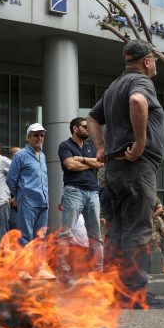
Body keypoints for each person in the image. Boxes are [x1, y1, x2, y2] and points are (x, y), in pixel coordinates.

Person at [87, 39, 164, 309]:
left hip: (113, 171)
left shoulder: (112, 87)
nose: (154, 64)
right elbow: (137, 101)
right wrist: (141, 143)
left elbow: (92, 118)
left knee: (117, 232)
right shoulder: (141, 82)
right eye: (154, 60)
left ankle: (117, 291)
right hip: (136, 167)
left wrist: (100, 147)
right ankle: (135, 293)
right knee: (138, 230)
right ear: (146, 61)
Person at [55, 117, 103, 284]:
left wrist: (81, 159)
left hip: (93, 193)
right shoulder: (65, 146)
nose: (87, 129)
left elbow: (100, 163)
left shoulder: (90, 146)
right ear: (75, 128)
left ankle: (97, 273)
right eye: (84, 127)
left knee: (95, 235)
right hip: (73, 191)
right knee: (66, 234)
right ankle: (64, 273)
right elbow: (70, 166)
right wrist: (90, 163)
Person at [7, 124, 49, 244]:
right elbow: (10, 180)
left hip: (44, 203)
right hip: (27, 202)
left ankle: (38, 263)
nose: (39, 138)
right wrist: (20, 195)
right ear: (28, 137)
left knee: (40, 239)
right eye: (36, 135)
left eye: (42, 135)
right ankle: (24, 264)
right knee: (25, 238)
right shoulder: (20, 155)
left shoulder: (43, 156)